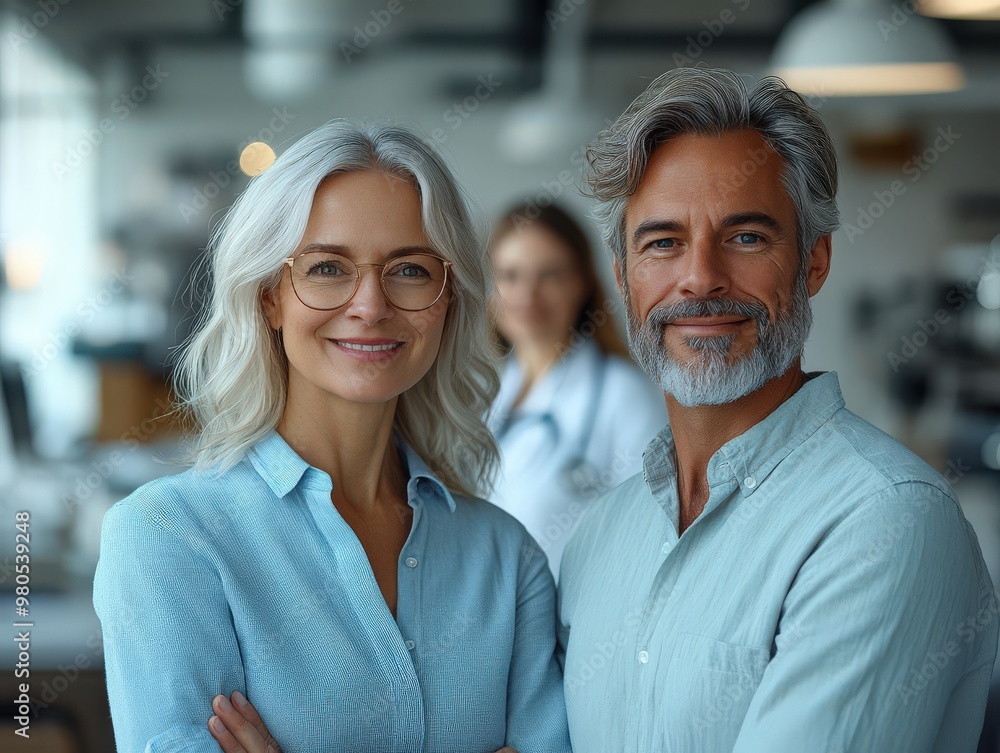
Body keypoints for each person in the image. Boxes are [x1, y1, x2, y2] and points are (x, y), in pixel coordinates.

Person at [92, 120, 571, 753]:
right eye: (326, 268)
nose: (370, 305)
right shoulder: (167, 537)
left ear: (447, 298)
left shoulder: (506, 561)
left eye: (409, 269)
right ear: (270, 297)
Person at [557, 67, 998, 752]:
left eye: (747, 237)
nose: (700, 277)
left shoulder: (886, 520)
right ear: (623, 276)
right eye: (663, 242)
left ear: (814, 261)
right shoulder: (598, 540)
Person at [488, 203, 666, 576]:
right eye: (510, 275)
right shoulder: (486, 394)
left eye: (550, 275)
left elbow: (651, 534)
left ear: (582, 282)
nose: (528, 294)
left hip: (572, 628)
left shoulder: (622, 394)